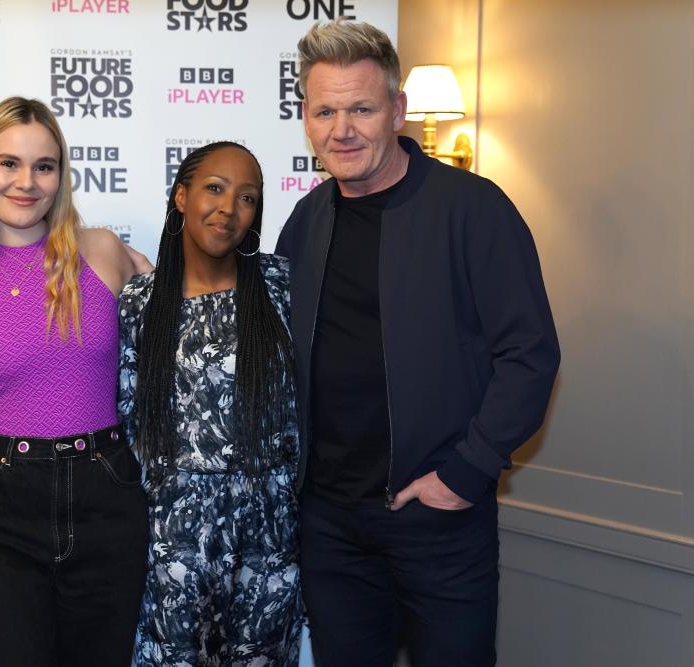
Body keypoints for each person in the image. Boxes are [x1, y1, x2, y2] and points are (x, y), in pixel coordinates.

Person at [273, 19, 560, 667]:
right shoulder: (308, 219)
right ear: (306, 119)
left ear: (397, 111)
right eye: (325, 111)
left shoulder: (473, 208)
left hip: (439, 519)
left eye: (361, 109)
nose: (341, 128)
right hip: (330, 525)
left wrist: (465, 471)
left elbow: (530, 353)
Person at [0, 96, 149, 666]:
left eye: (44, 166)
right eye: (9, 164)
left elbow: (189, 317)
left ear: (61, 177)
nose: (26, 182)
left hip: (106, 500)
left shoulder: (101, 253)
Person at [121, 142, 302, 665]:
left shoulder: (283, 286)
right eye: (215, 189)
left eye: (247, 197)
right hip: (171, 537)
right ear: (181, 196)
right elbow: (107, 405)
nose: (229, 208)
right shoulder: (140, 302)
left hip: (269, 530)